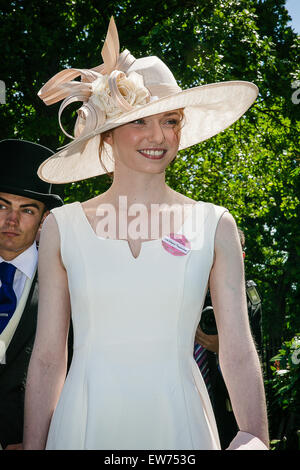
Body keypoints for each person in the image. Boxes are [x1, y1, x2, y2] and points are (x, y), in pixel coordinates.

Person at [23, 17, 269, 450]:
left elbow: (236, 346)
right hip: (83, 421)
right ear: (106, 134)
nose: (159, 136)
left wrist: (255, 436)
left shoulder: (214, 224)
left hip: (181, 423)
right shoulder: (62, 227)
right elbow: (47, 357)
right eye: (142, 122)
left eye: (171, 121)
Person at [0, 139, 63, 450]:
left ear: (44, 218)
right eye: (2, 205)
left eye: (27, 209)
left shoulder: (66, 286)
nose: (12, 220)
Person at [194, 228, 263, 449]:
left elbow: (255, 351)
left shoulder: (248, 298)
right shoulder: (190, 289)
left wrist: (222, 348)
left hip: (228, 402)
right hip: (191, 392)